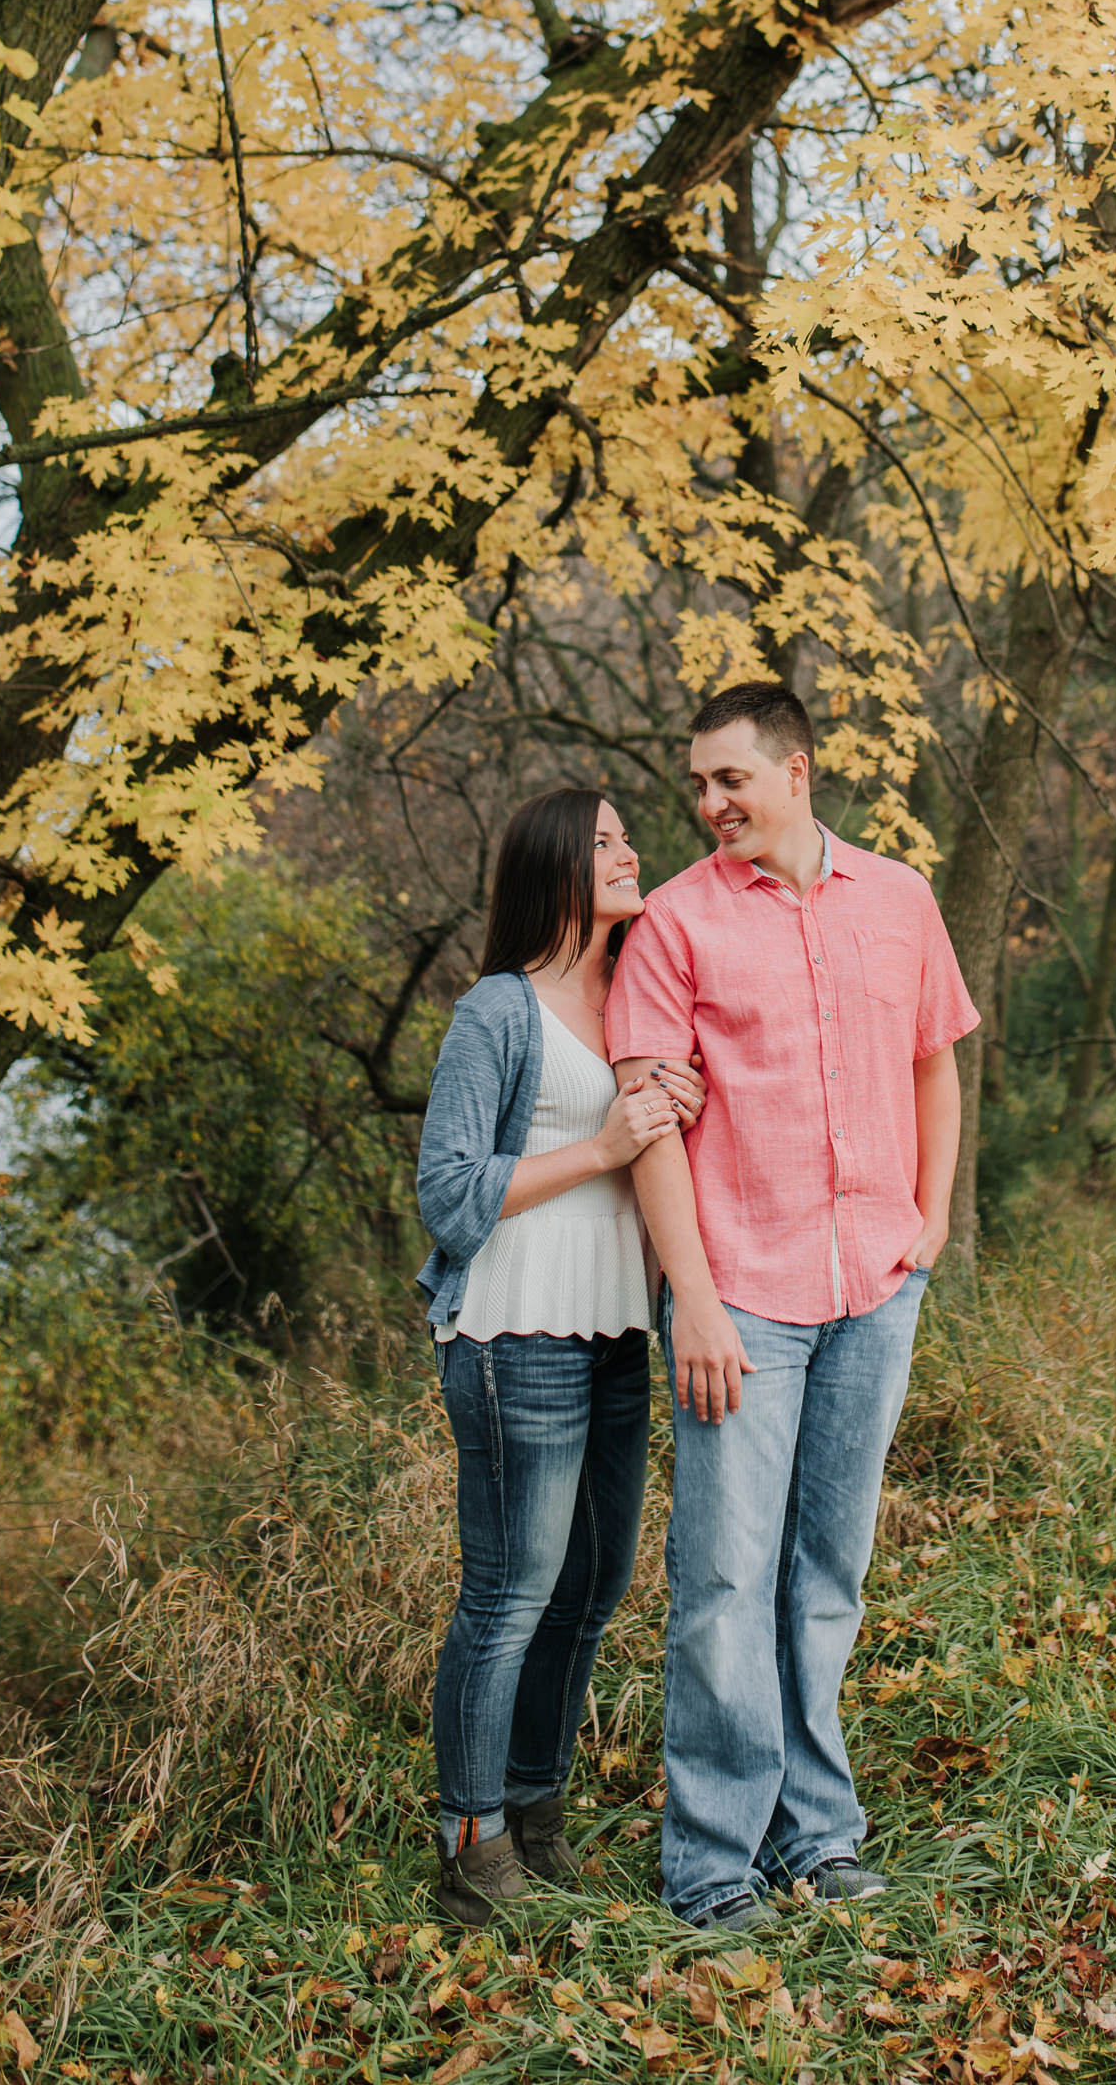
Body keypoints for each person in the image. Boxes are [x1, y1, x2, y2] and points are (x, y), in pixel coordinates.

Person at [607, 682, 978, 1929]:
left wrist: (924, 1224)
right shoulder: (670, 927)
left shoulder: (902, 902)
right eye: (697, 786)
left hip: (874, 1286)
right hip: (742, 1303)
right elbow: (652, 1131)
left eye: (729, 781)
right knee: (721, 1580)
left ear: (797, 770)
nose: (708, 805)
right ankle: (710, 1862)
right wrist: (694, 1304)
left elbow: (935, 1063)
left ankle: (813, 1837)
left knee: (827, 1572)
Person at [415, 786, 706, 1930]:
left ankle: (536, 1809)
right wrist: (600, 1144)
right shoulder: (500, 1010)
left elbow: (652, 1148)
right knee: (509, 1595)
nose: (631, 851)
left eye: (629, 835)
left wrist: (676, 1103)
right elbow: (446, 1194)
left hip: (612, 1331)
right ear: (553, 867)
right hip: (511, 1330)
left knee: (589, 1591)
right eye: (604, 841)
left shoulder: (637, 991)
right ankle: (469, 1841)